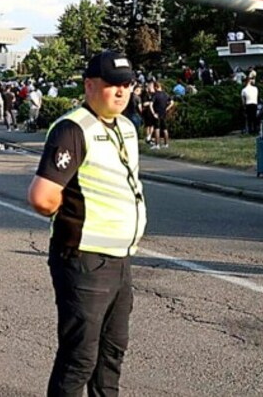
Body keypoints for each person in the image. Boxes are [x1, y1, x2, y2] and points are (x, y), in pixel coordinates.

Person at [27, 50, 145, 396]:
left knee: (112, 353)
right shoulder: (72, 128)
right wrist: (71, 213)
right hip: (84, 260)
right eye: (112, 85)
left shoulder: (125, 127)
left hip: (120, 258)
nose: (121, 92)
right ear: (90, 85)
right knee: (79, 357)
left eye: (127, 84)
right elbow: (42, 196)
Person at [150, 81, 173, 149]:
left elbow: (151, 105)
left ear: (156, 87)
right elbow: (172, 102)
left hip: (157, 113)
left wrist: (153, 113)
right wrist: (167, 108)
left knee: (157, 128)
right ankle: (166, 144)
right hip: (163, 113)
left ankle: (157, 144)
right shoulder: (166, 94)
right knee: (165, 128)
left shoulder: (155, 95)